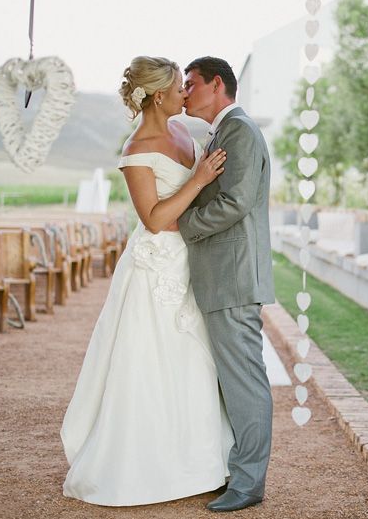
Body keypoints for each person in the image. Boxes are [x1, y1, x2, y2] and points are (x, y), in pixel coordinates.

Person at [60, 56, 233, 506]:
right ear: (160, 95)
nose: (186, 93)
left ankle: (202, 463)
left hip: (190, 260)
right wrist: (196, 180)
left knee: (196, 363)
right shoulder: (137, 149)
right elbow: (155, 219)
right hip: (157, 267)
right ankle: (146, 467)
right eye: (181, 87)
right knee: (152, 363)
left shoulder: (184, 131)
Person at [178, 56, 275, 513]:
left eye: (190, 83)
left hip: (233, 277)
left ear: (217, 84)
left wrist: (185, 222)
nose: (184, 92)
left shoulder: (238, 129)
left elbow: (236, 201)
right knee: (232, 383)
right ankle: (238, 472)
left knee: (245, 383)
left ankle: (249, 483)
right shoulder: (224, 131)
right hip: (226, 276)